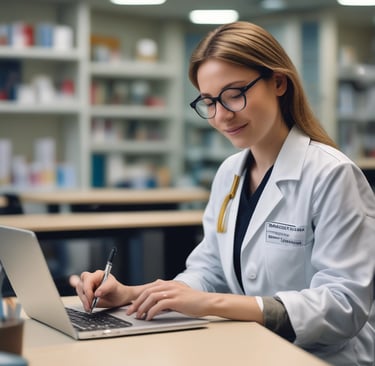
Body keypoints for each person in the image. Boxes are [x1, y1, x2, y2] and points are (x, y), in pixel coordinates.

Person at [75, 21, 375, 365]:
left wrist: (213, 304)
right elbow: (209, 271)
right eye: (209, 102)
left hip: (323, 358)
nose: (221, 116)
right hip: (252, 349)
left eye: (234, 95)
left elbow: (343, 306)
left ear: (279, 82)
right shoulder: (230, 172)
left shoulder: (332, 175)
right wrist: (131, 294)